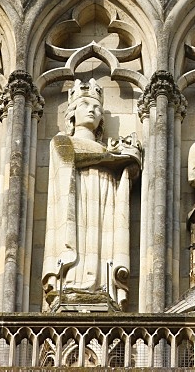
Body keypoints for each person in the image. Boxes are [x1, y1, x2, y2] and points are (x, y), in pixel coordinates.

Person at [43, 78, 142, 311]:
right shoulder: (62, 140)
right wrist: (113, 157)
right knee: (80, 237)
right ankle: (74, 284)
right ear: (72, 113)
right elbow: (71, 156)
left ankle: (101, 286)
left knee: (101, 242)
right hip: (78, 195)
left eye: (97, 107)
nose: (92, 110)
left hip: (104, 192)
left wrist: (130, 162)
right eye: (85, 104)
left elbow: (125, 169)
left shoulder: (108, 149)